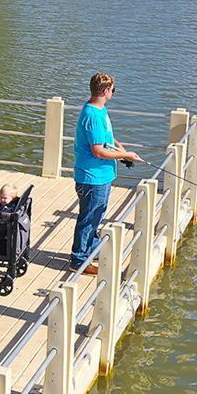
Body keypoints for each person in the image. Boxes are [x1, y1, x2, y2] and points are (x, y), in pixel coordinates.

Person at [69, 73, 141, 275]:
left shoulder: (100, 109)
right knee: (89, 218)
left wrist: (120, 148)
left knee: (97, 215)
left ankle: (92, 249)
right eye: (113, 90)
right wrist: (126, 155)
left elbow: (105, 137)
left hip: (102, 175)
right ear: (106, 91)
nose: (113, 93)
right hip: (92, 178)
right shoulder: (92, 115)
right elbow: (98, 151)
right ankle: (79, 260)